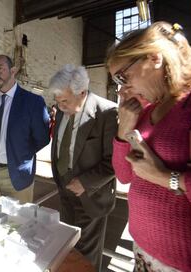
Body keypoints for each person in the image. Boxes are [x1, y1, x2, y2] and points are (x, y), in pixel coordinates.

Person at [107, 21, 191, 272]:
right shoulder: (148, 110)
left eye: (123, 76)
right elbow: (124, 175)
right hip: (142, 250)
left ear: (154, 58)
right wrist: (124, 129)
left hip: (182, 262)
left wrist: (165, 178)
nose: (122, 88)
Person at [49, 64, 118, 271]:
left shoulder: (107, 113)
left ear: (83, 93)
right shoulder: (63, 111)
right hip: (65, 192)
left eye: (64, 101)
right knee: (68, 248)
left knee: (86, 257)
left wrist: (85, 183)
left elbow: (115, 161)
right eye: (57, 101)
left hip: (91, 197)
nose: (60, 107)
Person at [0, 55, 50, 204]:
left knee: (19, 223)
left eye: (0, 69)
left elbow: (42, 138)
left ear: (13, 71)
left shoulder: (33, 102)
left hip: (18, 173)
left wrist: (21, 153)